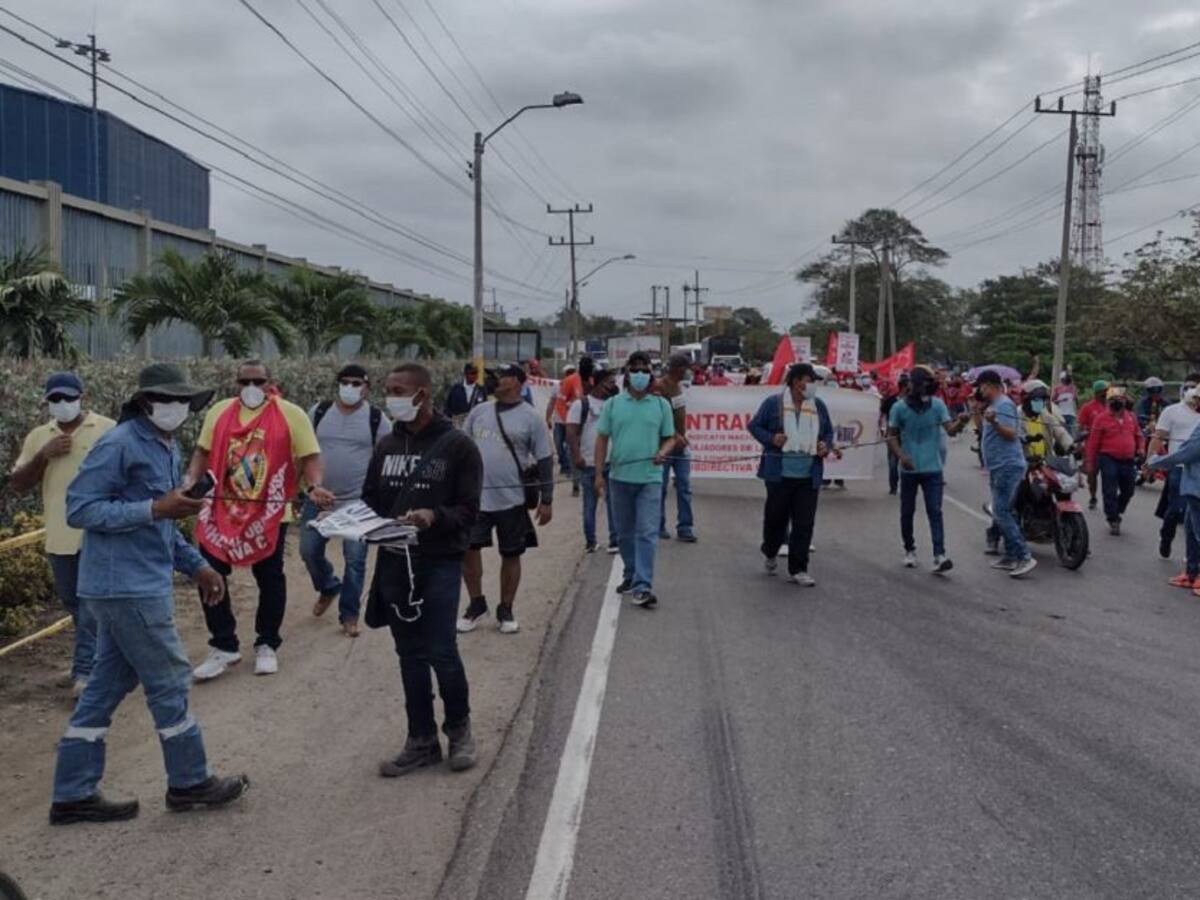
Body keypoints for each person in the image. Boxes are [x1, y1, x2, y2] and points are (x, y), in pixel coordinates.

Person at [50, 363, 247, 825]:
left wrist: (197, 565)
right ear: (144, 402)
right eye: (169, 399)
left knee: (106, 685)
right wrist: (154, 507)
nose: (178, 408)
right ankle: (190, 782)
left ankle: (73, 793)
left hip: (133, 582)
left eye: (184, 401)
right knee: (170, 679)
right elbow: (80, 509)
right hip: (126, 587)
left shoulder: (164, 447)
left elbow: (162, 521)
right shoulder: (119, 444)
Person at [361, 363, 483, 777]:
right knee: (408, 654)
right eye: (388, 389)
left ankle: (460, 730)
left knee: (441, 650)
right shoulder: (386, 447)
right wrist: (336, 512)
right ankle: (421, 739)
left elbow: (469, 510)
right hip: (396, 563)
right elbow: (370, 502)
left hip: (439, 562)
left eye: (399, 390)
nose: (391, 396)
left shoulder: (458, 447)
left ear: (423, 395)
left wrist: (435, 515)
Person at [188, 360, 333, 681]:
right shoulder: (220, 412)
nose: (251, 388)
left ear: (271, 382)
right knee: (209, 574)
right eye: (244, 381)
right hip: (220, 509)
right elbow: (202, 450)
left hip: (268, 513)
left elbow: (310, 456)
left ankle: (267, 643)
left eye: (258, 381)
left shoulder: (291, 414)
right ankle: (223, 644)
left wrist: (314, 486)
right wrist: (190, 480)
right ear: (235, 382)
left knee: (269, 578)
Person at [9, 372, 115, 697]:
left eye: (68, 398)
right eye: (55, 399)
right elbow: (17, 484)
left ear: (83, 396)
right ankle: (110, 658)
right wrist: (44, 454)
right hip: (59, 536)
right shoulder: (39, 436)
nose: (63, 405)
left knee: (90, 604)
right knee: (74, 602)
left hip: (99, 533)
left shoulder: (108, 430)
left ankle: (85, 674)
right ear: (47, 402)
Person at [460, 363, 554, 634]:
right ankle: (476, 603)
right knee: (468, 549)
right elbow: (461, 448)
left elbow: (545, 459)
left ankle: (506, 608)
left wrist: (547, 500)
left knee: (511, 553)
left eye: (499, 377)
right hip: (476, 499)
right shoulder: (478, 411)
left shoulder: (531, 418)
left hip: (512, 500)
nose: (493, 381)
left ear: (515, 382)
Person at [300, 364, 389, 638]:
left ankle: (349, 614)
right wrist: (301, 488)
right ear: (337, 384)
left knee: (355, 559)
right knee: (309, 550)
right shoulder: (318, 412)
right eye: (345, 382)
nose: (350, 388)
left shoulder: (376, 419)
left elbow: (386, 457)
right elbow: (302, 451)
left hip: (356, 502)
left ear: (366, 388)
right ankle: (328, 586)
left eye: (357, 383)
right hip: (318, 496)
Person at [594, 352, 676, 607]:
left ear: (650, 374)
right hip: (619, 478)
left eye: (645, 370)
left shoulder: (661, 405)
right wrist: (598, 474)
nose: (640, 374)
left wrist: (663, 452)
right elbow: (602, 439)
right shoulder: (613, 405)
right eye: (635, 369)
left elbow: (671, 437)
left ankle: (643, 584)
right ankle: (630, 574)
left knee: (647, 532)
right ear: (627, 374)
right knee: (624, 533)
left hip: (651, 478)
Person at [749, 362, 834, 587]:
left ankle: (799, 568)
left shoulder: (818, 406)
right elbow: (755, 426)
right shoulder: (773, 404)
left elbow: (828, 433)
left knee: (804, 523)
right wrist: (771, 439)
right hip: (779, 475)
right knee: (776, 521)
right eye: (810, 380)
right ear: (797, 381)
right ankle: (770, 550)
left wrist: (825, 445)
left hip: (808, 476)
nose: (813, 385)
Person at [888, 366, 971, 573]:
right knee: (907, 512)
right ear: (912, 386)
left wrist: (961, 423)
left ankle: (939, 555)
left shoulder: (938, 405)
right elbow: (891, 436)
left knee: (935, 511)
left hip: (933, 469)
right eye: (923, 384)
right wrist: (901, 456)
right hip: (908, 470)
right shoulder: (898, 408)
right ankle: (909, 549)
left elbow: (950, 430)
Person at [976, 369, 1038, 578]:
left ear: (990, 385)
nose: (979, 390)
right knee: (1005, 511)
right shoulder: (992, 406)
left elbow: (1012, 434)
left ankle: (1024, 556)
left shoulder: (1004, 405)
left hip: (1007, 465)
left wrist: (994, 422)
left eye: (981, 386)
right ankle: (1011, 555)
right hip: (997, 466)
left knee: (1001, 511)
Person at [1147, 408, 1200, 593]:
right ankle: (1192, 573)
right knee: (1191, 531)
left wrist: (1154, 461)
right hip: (1193, 486)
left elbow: (1187, 452)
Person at [566, 367, 619, 553]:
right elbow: (571, 433)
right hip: (588, 462)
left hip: (612, 462)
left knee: (613, 503)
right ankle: (591, 541)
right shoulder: (581, 405)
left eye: (614, 383)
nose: (612, 386)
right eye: (609, 383)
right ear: (597, 383)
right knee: (590, 503)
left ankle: (615, 540)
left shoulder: (614, 404)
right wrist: (577, 456)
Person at [1084, 387, 1144, 536]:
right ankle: (1113, 519)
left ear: (1125, 401)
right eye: (1113, 399)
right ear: (1108, 402)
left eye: (1120, 399)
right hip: (1108, 457)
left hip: (1128, 459)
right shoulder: (1101, 418)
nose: (1117, 402)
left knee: (1129, 490)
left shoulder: (1131, 417)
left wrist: (1141, 448)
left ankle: (1117, 509)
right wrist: (1090, 463)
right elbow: (1093, 443)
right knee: (1109, 489)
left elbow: (1139, 435)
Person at [1149, 386, 1200, 559]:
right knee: (1179, 511)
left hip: (1194, 472)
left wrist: (1156, 462)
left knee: (1193, 520)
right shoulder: (1172, 411)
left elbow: (1189, 451)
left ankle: (1194, 566)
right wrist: (1151, 462)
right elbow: (1160, 437)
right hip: (1180, 469)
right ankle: (1169, 538)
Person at [657, 353, 697, 542]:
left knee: (684, 487)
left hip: (681, 447)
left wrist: (682, 436)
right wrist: (675, 435)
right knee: (661, 488)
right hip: (664, 445)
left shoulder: (679, 387)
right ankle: (658, 525)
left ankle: (685, 527)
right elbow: (658, 416)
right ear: (677, 368)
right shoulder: (660, 387)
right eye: (685, 367)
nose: (688, 371)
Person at [546, 360, 589, 495]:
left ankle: (585, 478)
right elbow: (558, 402)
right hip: (566, 422)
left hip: (586, 424)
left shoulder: (593, 382)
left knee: (584, 451)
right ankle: (575, 481)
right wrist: (567, 421)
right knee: (568, 448)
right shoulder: (567, 382)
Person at [1076, 379, 1110, 509]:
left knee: (1109, 476)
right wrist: (1079, 443)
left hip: (1108, 446)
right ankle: (1093, 496)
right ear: (1096, 393)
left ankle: (1108, 499)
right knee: (1092, 474)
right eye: (1103, 392)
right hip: (1092, 446)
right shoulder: (1088, 407)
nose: (1105, 394)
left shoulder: (1112, 406)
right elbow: (1080, 426)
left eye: (1107, 391)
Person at [880, 374, 910, 496]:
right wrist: (882, 429)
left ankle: (906, 486)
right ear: (903, 387)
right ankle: (893, 486)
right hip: (893, 436)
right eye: (908, 386)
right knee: (893, 463)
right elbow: (882, 415)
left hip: (908, 436)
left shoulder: (913, 402)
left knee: (906, 462)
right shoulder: (890, 400)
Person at [1053, 372, 1079, 436]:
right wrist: (1061, 400)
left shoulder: (1073, 388)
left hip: (1071, 414)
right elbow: (1053, 401)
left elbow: (1076, 400)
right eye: (1065, 378)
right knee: (1061, 433)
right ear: (1062, 379)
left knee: (1070, 433)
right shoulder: (1057, 388)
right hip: (1061, 414)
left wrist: (1077, 412)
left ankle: (1070, 445)